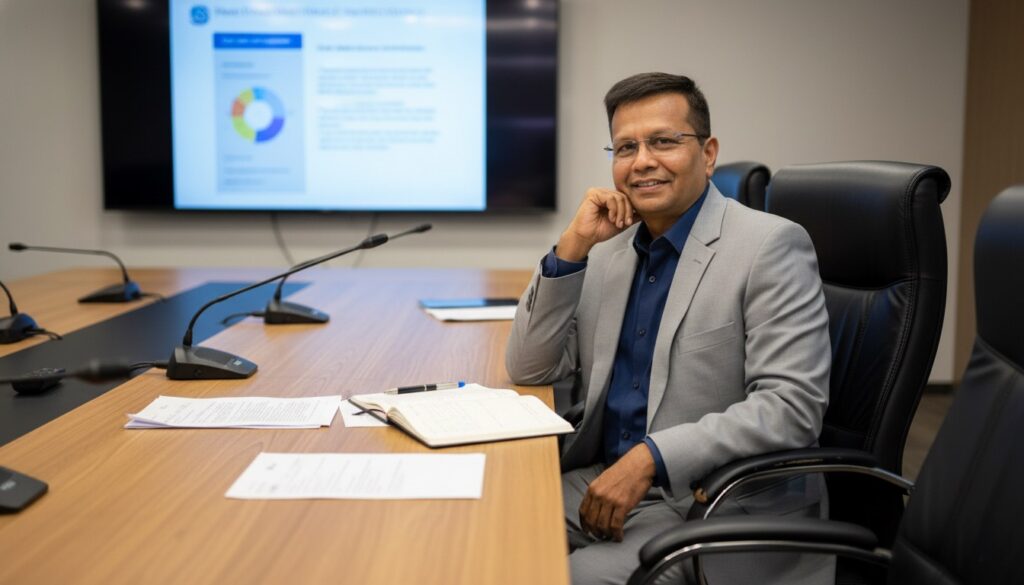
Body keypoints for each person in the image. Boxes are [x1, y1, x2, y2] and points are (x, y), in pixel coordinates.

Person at [505, 73, 832, 584]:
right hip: (603, 477)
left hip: (711, 502)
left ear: (708, 153)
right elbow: (530, 366)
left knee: (574, 577)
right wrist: (572, 247)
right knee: (485, 515)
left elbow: (791, 407)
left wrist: (652, 458)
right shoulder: (610, 251)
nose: (641, 161)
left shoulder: (770, 247)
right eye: (626, 147)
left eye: (662, 141)